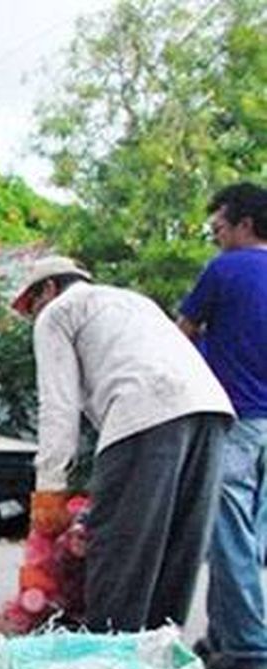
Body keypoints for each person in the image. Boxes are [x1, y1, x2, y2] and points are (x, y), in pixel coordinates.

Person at [14, 256, 233, 633]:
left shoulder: (57, 312)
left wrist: (49, 487)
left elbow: (58, 406)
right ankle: (157, 660)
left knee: (120, 550)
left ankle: (110, 661)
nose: (35, 316)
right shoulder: (133, 301)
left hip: (146, 411)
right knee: (176, 551)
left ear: (48, 289)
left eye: (32, 306)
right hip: (210, 409)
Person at [177, 182, 267, 669]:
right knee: (248, 539)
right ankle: (226, 639)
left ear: (244, 225)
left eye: (219, 228)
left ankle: (251, 648)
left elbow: (180, 336)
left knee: (228, 536)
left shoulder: (225, 269)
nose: (216, 238)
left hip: (236, 418)